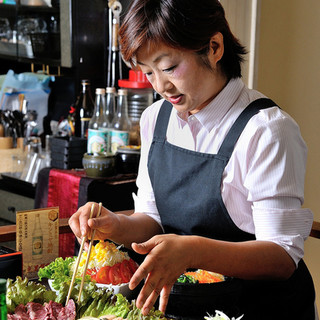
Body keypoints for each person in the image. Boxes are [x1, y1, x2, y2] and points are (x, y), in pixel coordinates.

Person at [69, 0, 318, 319]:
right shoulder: (155, 119)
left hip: (259, 308)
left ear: (214, 47)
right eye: (148, 73)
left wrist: (191, 251)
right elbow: (153, 219)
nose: (161, 86)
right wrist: (115, 225)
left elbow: (282, 257)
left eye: (169, 67)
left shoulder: (266, 131)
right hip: (184, 305)